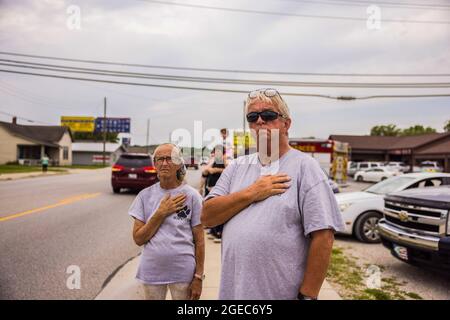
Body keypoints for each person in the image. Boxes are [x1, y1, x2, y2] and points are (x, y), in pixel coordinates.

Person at [201, 88, 345, 300]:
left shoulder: (306, 167)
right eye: (252, 116)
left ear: (286, 124)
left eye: (268, 115)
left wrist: (308, 295)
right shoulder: (237, 167)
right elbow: (207, 216)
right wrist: (253, 192)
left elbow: (323, 236)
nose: (259, 121)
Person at [128, 143, 205, 300]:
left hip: (184, 272)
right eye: (159, 159)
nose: (164, 163)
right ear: (155, 164)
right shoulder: (144, 196)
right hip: (152, 272)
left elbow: (200, 240)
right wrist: (161, 213)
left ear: (179, 163)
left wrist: (198, 277)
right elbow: (138, 238)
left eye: (169, 159)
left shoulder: (192, 196)